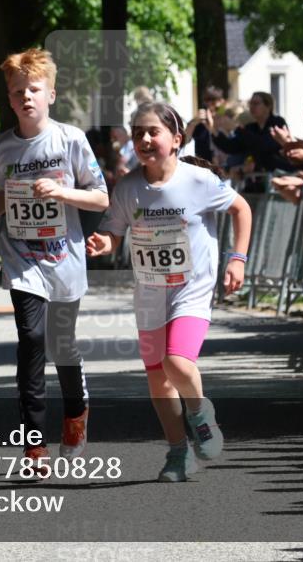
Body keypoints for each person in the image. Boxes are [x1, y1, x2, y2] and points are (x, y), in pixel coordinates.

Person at [85, 101, 252, 481]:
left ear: (176, 140)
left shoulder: (198, 181)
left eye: (153, 132)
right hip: (149, 293)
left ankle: (200, 412)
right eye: (138, 132)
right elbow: (114, 232)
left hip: (191, 289)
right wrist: (104, 245)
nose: (144, 138)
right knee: (157, 378)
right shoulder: (128, 188)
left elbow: (242, 209)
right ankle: (178, 453)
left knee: (176, 362)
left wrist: (237, 258)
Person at [0, 47, 108, 468]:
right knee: (30, 340)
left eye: (34, 89)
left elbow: (99, 195)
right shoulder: (1, 150)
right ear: (9, 100)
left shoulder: (70, 140)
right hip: (21, 256)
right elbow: (3, 193)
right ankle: (34, 443)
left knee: (61, 345)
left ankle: (76, 409)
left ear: (51, 94)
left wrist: (62, 192)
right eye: (17, 91)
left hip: (64, 258)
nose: (25, 97)